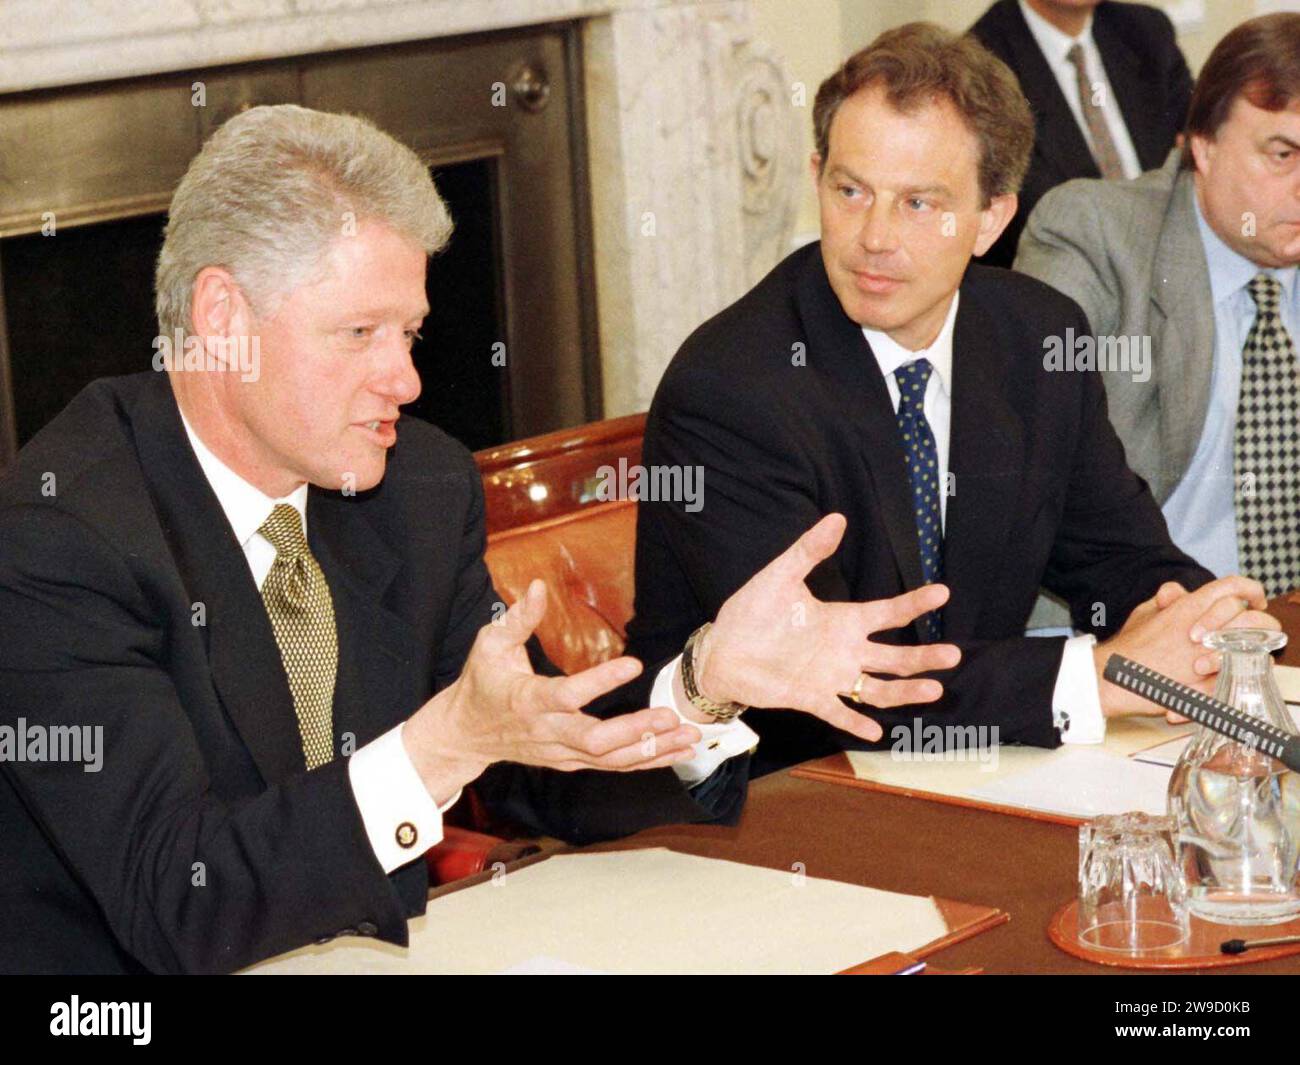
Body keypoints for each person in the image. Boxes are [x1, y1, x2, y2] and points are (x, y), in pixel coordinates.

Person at [0, 104, 961, 974]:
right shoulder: (60, 537)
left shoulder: (413, 486)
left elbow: (542, 758)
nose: (406, 380)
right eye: (360, 332)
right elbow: (180, 901)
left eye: (410, 333)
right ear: (221, 318)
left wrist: (705, 679)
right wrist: (437, 745)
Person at [623, 23, 1275, 778]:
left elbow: (1117, 556)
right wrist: (1097, 675)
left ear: (993, 216)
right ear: (816, 174)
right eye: (850, 190)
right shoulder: (734, 389)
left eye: (920, 203)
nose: (873, 236)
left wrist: (1204, 627)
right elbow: (843, 678)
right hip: (786, 792)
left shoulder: (1036, 335)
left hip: (977, 762)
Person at [1016, 13, 1300, 599]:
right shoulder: (1095, 237)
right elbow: (1048, 467)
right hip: (1145, 621)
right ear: (1204, 144)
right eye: (1282, 154)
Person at [969, 0, 1191, 267]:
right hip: (1063, 277)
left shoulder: (1146, 31)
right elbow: (1036, 212)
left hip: (1169, 262)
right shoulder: (981, 64)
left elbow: (1199, 148)